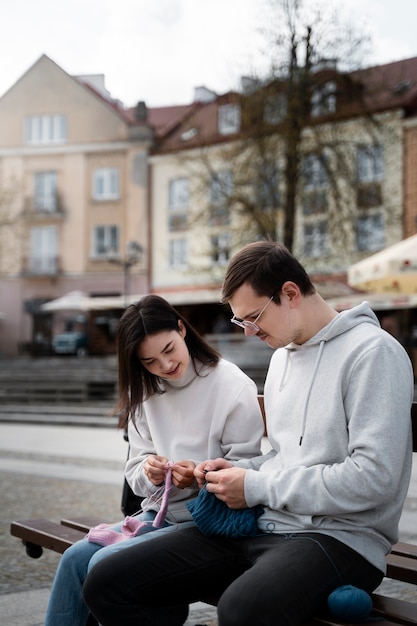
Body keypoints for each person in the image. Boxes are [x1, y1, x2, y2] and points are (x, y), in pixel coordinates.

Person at [83, 241, 414, 626]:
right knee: (106, 581)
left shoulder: (373, 353)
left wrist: (255, 485)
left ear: (290, 293)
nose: (249, 331)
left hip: (342, 539)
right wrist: (238, 469)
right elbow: (285, 457)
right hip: (263, 524)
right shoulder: (282, 359)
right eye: (241, 321)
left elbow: (374, 479)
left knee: (242, 610)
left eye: (253, 317)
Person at [44, 294, 264, 626]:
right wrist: (151, 471)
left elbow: (247, 470)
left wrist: (200, 476)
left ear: (181, 329)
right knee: (75, 559)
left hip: (207, 524)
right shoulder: (145, 390)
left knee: (103, 565)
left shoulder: (231, 386)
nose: (164, 366)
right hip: (158, 514)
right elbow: (135, 470)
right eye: (149, 361)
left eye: (168, 350)